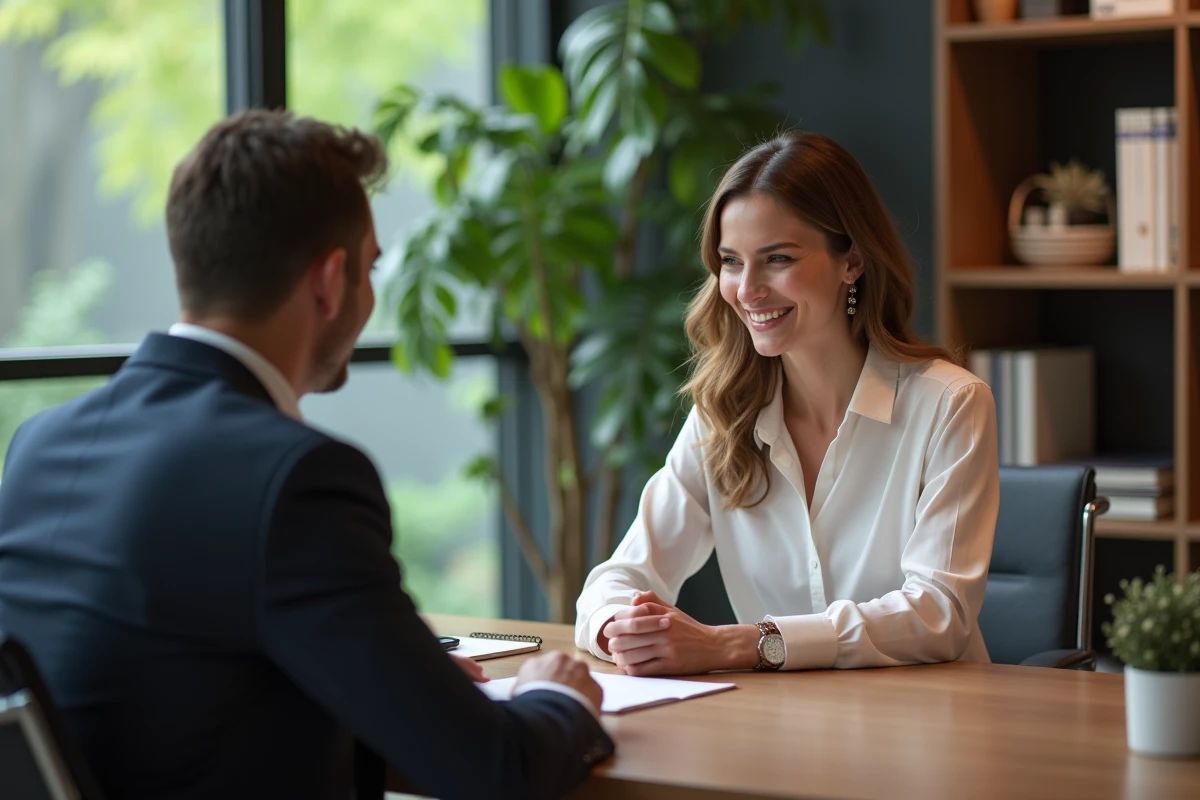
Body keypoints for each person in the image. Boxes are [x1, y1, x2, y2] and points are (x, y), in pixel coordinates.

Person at [0, 110, 612, 800]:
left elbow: (170, 684)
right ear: (329, 281)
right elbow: (497, 770)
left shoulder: (40, 444)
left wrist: (400, 685)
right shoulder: (295, 479)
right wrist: (557, 694)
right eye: (371, 267)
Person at [575, 132, 999, 677]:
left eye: (777, 259)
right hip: (779, 730)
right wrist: (624, 627)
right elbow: (619, 577)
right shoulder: (724, 413)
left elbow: (939, 614)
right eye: (731, 261)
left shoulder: (951, 405)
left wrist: (744, 644)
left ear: (852, 261)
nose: (747, 290)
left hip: (927, 729)